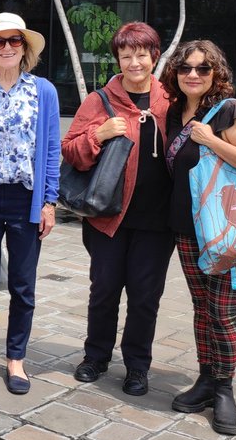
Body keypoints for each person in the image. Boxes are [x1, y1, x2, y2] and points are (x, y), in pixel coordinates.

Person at [61, 22, 173, 397]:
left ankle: (138, 366)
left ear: (154, 57)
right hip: (108, 217)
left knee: (145, 297)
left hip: (157, 222)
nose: (135, 62)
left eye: (142, 54)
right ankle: (96, 356)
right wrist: (100, 134)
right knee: (104, 290)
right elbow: (70, 150)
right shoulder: (100, 101)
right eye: (127, 55)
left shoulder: (170, 101)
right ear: (118, 59)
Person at [163, 39, 236, 436]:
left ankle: (224, 388)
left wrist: (211, 140)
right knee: (202, 306)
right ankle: (206, 379)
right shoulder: (176, 111)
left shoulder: (229, 111)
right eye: (186, 68)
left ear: (216, 73)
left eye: (203, 69)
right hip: (186, 228)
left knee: (223, 311)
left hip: (228, 229)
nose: (193, 74)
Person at [0, 12, 59, 395]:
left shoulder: (43, 91)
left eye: (13, 41)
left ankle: (16, 358)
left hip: (25, 199)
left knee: (22, 284)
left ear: (24, 48)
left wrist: (49, 201)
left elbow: (51, 149)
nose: (6, 48)